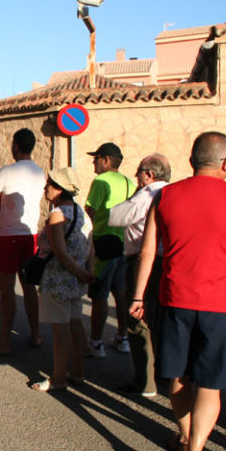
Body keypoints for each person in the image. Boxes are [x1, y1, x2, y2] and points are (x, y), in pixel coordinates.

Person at [130, 131, 226, 451]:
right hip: (222, 306)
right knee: (210, 384)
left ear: (192, 161)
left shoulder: (166, 195)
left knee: (177, 376)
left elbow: (147, 252)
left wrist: (138, 296)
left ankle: (185, 435)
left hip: (175, 300)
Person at [109, 154, 170, 397]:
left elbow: (116, 216)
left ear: (149, 174)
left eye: (139, 172)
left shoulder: (146, 194)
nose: (136, 176)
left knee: (138, 318)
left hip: (142, 259)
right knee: (161, 318)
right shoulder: (171, 192)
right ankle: (165, 372)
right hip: (166, 261)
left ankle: (144, 381)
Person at [30, 168, 95, 391]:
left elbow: (59, 251)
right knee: (76, 325)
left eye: (49, 184)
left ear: (59, 189)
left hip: (59, 278)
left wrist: (78, 271)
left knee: (61, 331)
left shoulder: (57, 214)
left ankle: (58, 378)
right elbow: (90, 245)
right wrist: (87, 270)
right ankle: (77, 371)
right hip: (76, 279)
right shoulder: (82, 214)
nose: (45, 187)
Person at [0, 128, 45, 353]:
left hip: (7, 236)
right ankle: (36, 335)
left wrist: (3, 204)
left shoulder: (6, 171)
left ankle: (4, 341)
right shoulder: (40, 172)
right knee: (29, 288)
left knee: (7, 292)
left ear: (16, 145)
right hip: (30, 235)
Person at [85, 142, 135, 358]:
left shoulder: (101, 181)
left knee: (99, 295)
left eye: (95, 159)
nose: (93, 163)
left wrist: (95, 229)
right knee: (121, 293)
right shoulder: (129, 183)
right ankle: (122, 337)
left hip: (104, 241)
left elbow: (90, 208)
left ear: (105, 160)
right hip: (125, 243)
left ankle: (96, 342)